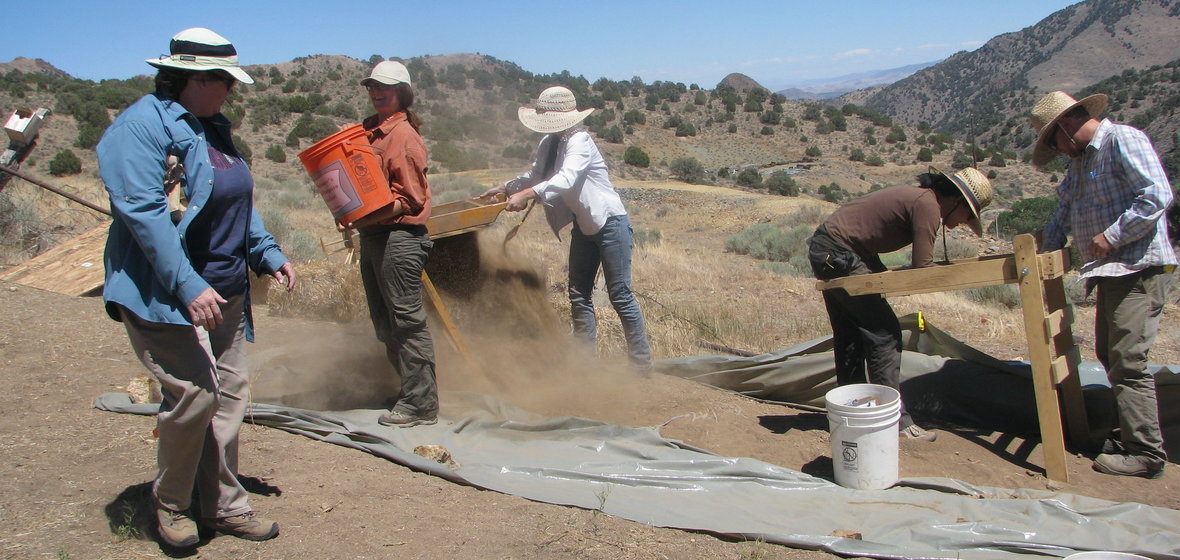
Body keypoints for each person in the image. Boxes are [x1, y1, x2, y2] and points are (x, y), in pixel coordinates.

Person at [97, 28, 295, 547]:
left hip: (225, 290)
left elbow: (236, 202)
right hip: (167, 294)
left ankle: (225, 506)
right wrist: (186, 283)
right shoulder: (140, 128)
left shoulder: (212, 126)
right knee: (193, 396)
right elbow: (143, 215)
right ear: (193, 78)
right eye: (224, 81)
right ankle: (171, 504)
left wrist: (266, 251)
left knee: (227, 399)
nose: (231, 90)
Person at [1030, 90, 1177, 478]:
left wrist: (1112, 236)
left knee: (1128, 360)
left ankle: (1146, 453)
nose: (1059, 151)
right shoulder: (1080, 164)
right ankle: (1130, 436)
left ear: (1065, 126)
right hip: (1113, 270)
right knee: (1110, 355)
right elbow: (1063, 208)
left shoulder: (1121, 140)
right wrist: (1045, 245)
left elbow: (1157, 194)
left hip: (1138, 266)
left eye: (1055, 142)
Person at [808, 167, 993, 442]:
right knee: (884, 334)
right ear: (957, 201)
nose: (962, 223)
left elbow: (870, 243)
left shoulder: (921, 199)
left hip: (828, 250)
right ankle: (896, 423)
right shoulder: (928, 206)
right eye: (967, 216)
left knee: (851, 337)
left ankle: (850, 415)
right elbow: (923, 267)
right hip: (841, 253)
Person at [479, 86, 652, 371]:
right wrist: (506, 187)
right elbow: (536, 174)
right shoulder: (550, 143)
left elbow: (566, 178)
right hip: (583, 226)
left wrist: (527, 195)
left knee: (620, 295)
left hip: (610, 223)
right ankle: (584, 364)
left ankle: (641, 366)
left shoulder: (580, 140)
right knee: (578, 293)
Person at [348, 61, 438, 427]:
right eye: (371, 86)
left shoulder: (402, 137)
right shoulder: (371, 133)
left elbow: (412, 199)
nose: (375, 91)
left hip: (399, 237)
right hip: (375, 235)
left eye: (384, 86)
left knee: (406, 322)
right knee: (385, 323)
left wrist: (366, 215)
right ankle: (410, 392)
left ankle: (421, 405)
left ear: (402, 92)